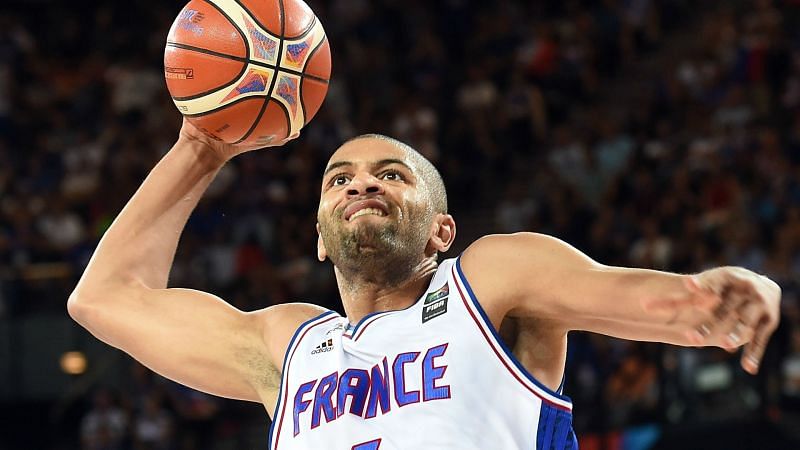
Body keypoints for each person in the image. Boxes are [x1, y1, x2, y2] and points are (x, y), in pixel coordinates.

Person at [68, 119, 781, 449]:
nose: (362, 182)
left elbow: (659, 305)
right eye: (338, 178)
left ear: (442, 231)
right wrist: (203, 145)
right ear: (319, 238)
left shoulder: (492, 281)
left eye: (392, 174)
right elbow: (104, 298)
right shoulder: (285, 347)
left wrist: (725, 296)